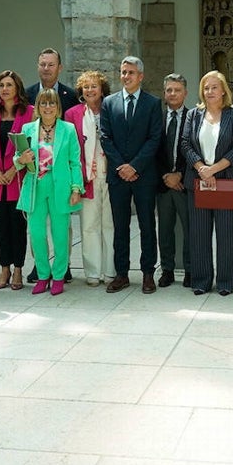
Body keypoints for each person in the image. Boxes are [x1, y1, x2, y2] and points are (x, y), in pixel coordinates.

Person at [99, 55, 162, 294]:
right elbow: (106, 137)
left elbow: (154, 138)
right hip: (118, 176)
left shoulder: (152, 103)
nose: (126, 76)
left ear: (141, 76)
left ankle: (147, 274)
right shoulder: (109, 103)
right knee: (120, 226)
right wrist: (122, 167)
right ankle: (122, 274)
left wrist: (134, 166)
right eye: (123, 72)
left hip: (144, 176)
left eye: (131, 72)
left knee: (147, 225)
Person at [181, 70, 233, 296]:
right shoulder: (194, 115)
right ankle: (201, 280)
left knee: (226, 234)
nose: (210, 92)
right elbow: (185, 144)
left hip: (225, 181)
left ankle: (226, 281)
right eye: (206, 88)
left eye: (214, 87)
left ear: (223, 90)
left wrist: (214, 169)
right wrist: (200, 168)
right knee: (199, 233)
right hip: (198, 181)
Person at [16, 89, 83, 294]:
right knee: (36, 233)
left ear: (58, 107)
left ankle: (59, 275)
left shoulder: (68, 129)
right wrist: (21, 160)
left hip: (60, 187)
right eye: (43, 103)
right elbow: (18, 158)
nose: (47, 107)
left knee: (60, 233)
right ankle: (43, 275)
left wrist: (76, 188)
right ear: (37, 106)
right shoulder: (27, 129)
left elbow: (74, 162)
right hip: (36, 186)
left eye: (51, 103)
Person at [0, 70, 34, 290]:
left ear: (17, 89)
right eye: (2, 85)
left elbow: (31, 147)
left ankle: (18, 270)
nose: (5, 89)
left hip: (18, 179)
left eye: (9, 85)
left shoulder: (29, 112)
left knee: (17, 226)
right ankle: (4, 267)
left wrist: (14, 170)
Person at [65, 70, 116, 287]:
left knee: (110, 224)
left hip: (112, 173)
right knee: (89, 224)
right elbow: (69, 147)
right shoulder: (72, 114)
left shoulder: (113, 109)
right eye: (85, 87)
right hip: (86, 175)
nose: (89, 90)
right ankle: (93, 272)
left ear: (102, 89)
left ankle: (111, 271)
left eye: (93, 86)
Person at [156, 72, 191, 288]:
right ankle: (167, 270)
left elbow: (196, 149)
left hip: (184, 185)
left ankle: (190, 270)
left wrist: (181, 175)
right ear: (164, 93)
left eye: (177, 90)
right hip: (163, 185)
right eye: (169, 89)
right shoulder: (156, 118)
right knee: (165, 229)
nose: (173, 93)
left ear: (185, 93)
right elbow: (152, 150)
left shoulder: (194, 117)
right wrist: (165, 176)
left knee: (190, 229)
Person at [25, 47, 79, 113]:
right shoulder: (26, 95)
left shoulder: (72, 96)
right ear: (38, 67)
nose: (46, 68)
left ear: (59, 68)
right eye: (42, 64)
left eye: (51, 65)